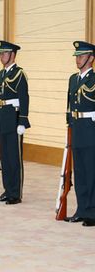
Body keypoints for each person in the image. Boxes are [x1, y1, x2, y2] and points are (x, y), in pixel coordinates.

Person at [0, 40, 30, 205]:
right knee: (5, 157)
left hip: (14, 118)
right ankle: (7, 190)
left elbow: (24, 97)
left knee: (14, 157)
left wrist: (23, 120)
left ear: (13, 55)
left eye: (5, 53)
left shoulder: (19, 73)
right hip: (3, 116)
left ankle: (15, 193)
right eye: (1, 53)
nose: (2, 56)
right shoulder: (2, 73)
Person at [64, 41, 95, 226]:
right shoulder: (73, 79)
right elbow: (69, 105)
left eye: (81, 56)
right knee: (80, 172)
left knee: (91, 172)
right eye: (76, 56)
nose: (78, 59)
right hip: (77, 128)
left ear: (91, 58)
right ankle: (81, 209)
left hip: (91, 129)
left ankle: (92, 212)